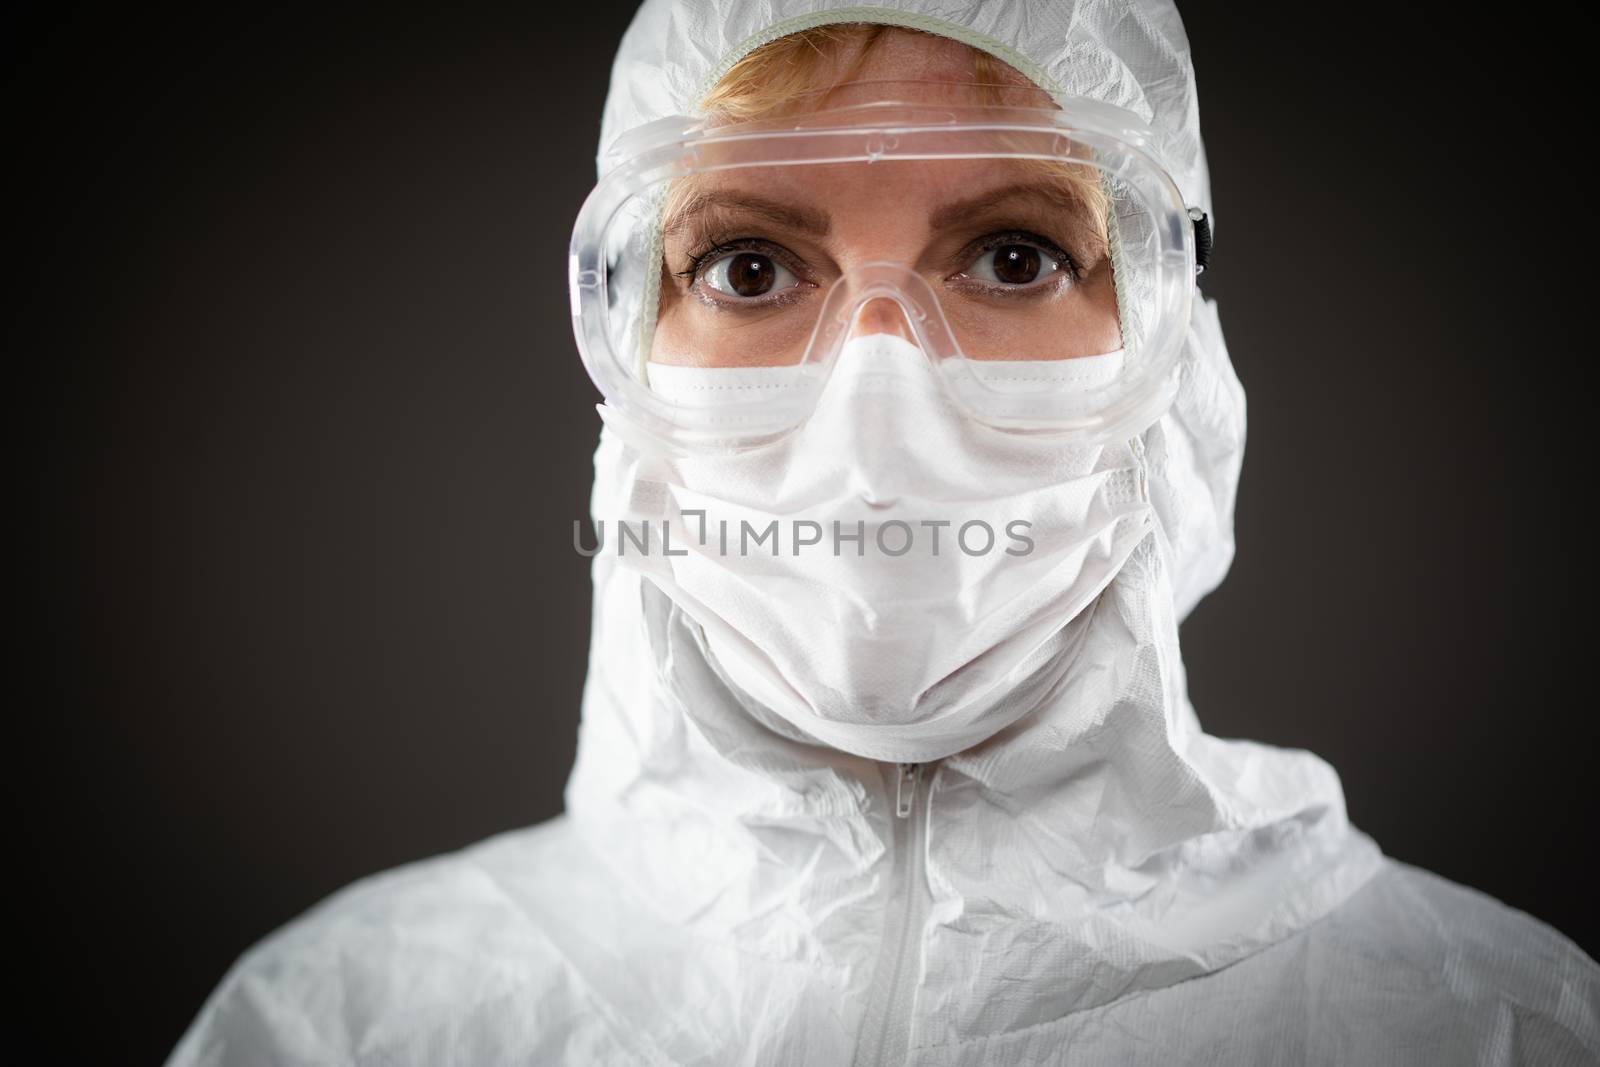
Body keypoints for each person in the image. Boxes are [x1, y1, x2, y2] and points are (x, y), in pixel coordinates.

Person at [167, 1, 1599, 1064]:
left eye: (1015, 255)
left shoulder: (1491, 1027)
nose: (877, 404)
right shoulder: (351, 1027)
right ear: (629, 351)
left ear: (1175, 361)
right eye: (747, 265)